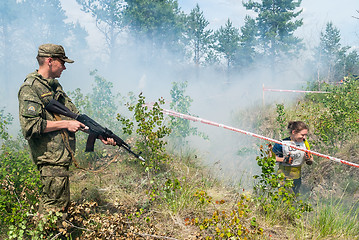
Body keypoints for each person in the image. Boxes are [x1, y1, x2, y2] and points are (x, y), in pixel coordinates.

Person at [18, 43, 115, 216]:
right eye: (62, 62)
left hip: (61, 158)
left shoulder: (54, 86)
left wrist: (99, 134)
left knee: (61, 208)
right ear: (49, 61)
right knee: (52, 211)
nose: (64, 67)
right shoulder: (30, 88)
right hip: (50, 159)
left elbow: (75, 117)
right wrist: (65, 124)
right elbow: (30, 127)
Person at [272, 121, 313, 194]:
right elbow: (270, 158)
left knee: (294, 199)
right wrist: (284, 160)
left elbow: (310, 161)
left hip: (297, 178)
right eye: (302, 135)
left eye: (305, 135)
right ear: (294, 132)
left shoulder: (305, 143)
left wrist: (308, 159)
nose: (304, 137)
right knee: (283, 200)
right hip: (283, 177)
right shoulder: (282, 143)